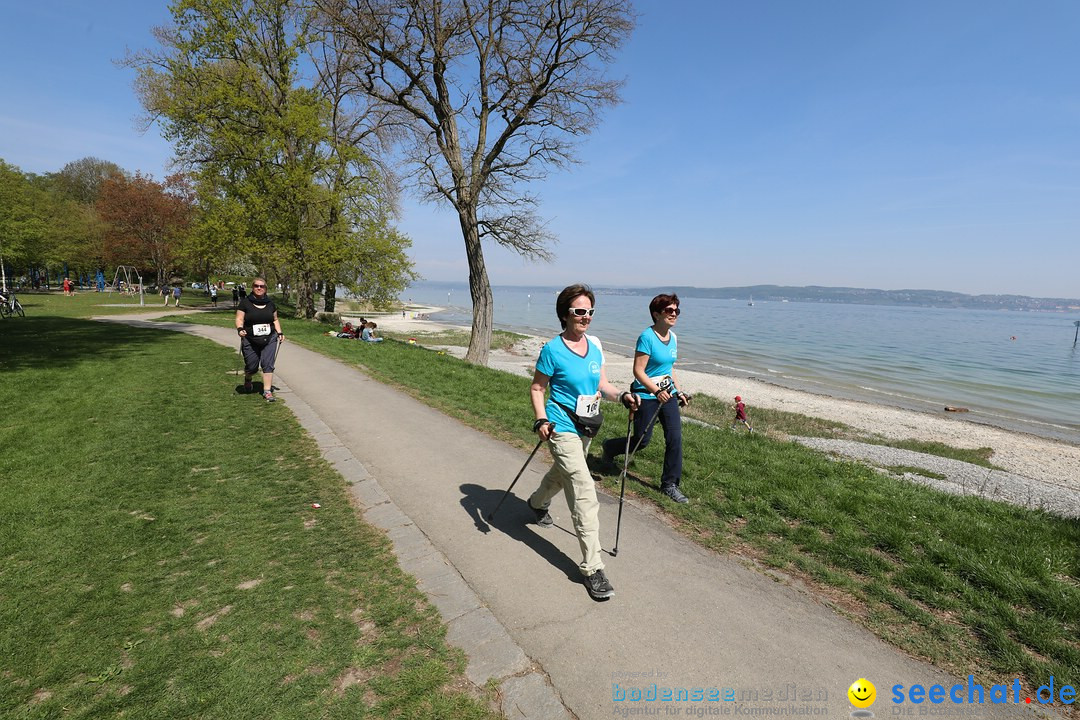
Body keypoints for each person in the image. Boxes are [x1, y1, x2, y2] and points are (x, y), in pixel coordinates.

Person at [526, 284, 638, 600]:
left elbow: (602, 384)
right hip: (560, 425)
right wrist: (541, 419)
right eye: (579, 311)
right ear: (565, 314)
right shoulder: (553, 350)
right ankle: (592, 567)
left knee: (563, 475)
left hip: (586, 426)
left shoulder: (595, 347)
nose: (585, 317)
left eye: (590, 311)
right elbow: (537, 388)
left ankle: (536, 502)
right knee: (583, 488)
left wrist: (624, 395)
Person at [601, 293, 692, 504]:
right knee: (642, 440)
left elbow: (668, 369)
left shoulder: (674, 337)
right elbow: (638, 371)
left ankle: (670, 484)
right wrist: (655, 391)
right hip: (645, 394)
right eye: (669, 310)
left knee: (675, 438)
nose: (674, 314)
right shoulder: (647, 337)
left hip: (666, 394)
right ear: (656, 314)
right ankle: (610, 447)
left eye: (676, 310)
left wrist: (678, 391)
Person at [236, 278, 284, 402]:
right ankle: (248, 378)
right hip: (250, 339)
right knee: (252, 367)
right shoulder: (245, 303)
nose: (259, 288)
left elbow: (275, 319)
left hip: (269, 338)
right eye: (256, 286)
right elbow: (239, 319)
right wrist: (240, 329)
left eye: (262, 286)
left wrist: (280, 332)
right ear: (252, 287)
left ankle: (267, 391)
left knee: (268, 364)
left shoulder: (270, 304)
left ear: (265, 289)